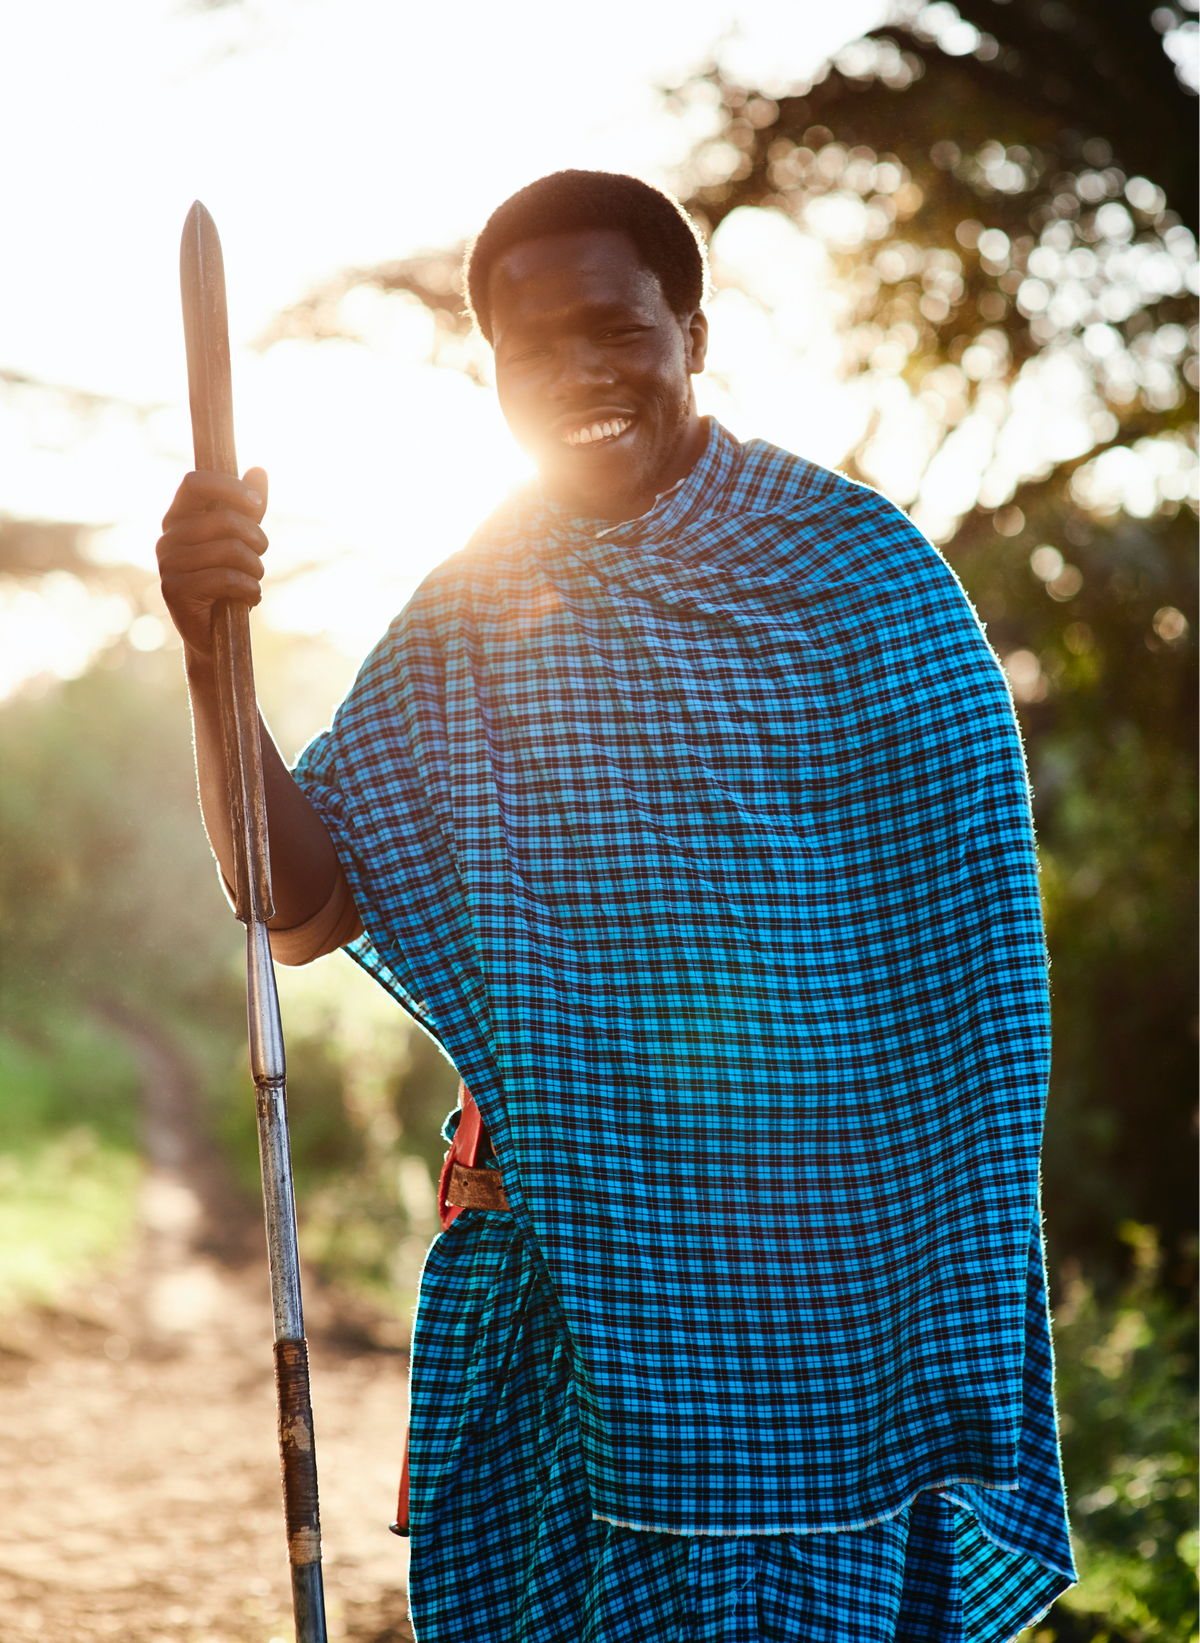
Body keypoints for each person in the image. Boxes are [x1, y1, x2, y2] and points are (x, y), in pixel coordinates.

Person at [157, 170, 1075, 1641]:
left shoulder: (860, 577)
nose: (581, 375)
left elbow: (967, 996)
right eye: (536, 352)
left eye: (615, 329)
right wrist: (212, 650)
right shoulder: (475, 610)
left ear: (692, 333)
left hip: (822, 1331)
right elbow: (297, 897)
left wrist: (926, 1298)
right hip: (570, 1321)